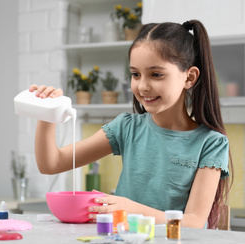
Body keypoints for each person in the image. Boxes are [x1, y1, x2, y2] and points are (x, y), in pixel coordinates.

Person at [30, 20, 233, 229]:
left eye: (156, 74)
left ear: (189, 77)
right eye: (135, 74)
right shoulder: (126, 128)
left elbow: (194, 223)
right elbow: (51, 164)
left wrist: (130, 210)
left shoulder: (211, 143)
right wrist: (47, 113)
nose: (143, 86)